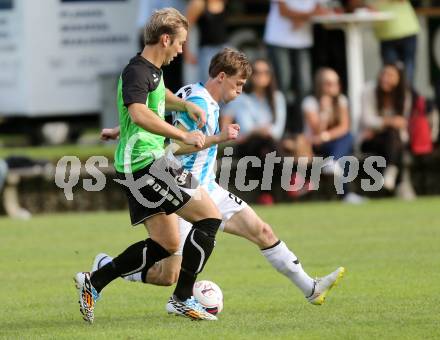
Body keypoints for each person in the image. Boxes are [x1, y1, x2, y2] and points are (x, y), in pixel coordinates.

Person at [99, 48, 346, 307]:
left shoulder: (195, 93)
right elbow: (173, 145)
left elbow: (159, 114)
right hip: (185, 189)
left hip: (208, 188)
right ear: (220, 76)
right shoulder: (202, 102)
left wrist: (121, 129)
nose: (239, 90)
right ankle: (107, 269)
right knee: (167, 274)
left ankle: (311, 288)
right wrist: (219, 138)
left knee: (262, 230)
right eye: (237, 83)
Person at [74, 8, 225, 323]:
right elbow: (140, 112)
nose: (182, 50)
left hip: (140, 163)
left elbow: (154, 99)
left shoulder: (150, 72)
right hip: (149, 163)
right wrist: (183, 133)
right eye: (180, 43)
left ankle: (95, 281)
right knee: (210, 218)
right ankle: (183, 299)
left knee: (167, 243)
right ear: (165, 38)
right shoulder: (138, 71)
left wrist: (182, 104)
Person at [221, 58, 287, 203]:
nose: (261, 76)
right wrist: (254, 132)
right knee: (264, 143)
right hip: (246, 144)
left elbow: (277, 130)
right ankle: (290, 178)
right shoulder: (241, 98)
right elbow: (230, 127)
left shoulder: (277, 98)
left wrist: (260, 131)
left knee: (267, 149)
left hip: (268, 144)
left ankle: (266, 195)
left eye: (265, 72)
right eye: (256, 72)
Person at [264, 0, 328, 133]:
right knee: (282, 86)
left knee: (304, 87)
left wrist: (298, 17)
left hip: (302, 41)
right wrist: (306, 16)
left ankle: (301, 129)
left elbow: (321, 9)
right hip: (278, 40)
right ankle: (282, 127)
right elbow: (283, 11)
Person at [302, 67, 365, 203]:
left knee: (347, 139)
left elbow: (344, 127)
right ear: (320, 85)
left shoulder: (341, 100)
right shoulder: (310, 103)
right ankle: (346, 194)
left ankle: (334, 163)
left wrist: (327, 136)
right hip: (315, 145)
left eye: (336, 83)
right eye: (329, 83)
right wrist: (324, 112)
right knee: (345, 146)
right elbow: (316, 132)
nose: (333, 87)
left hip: (333, 143)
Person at [360, 62, 412, 194]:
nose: (385, 78)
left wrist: (384, 124)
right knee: (394, 138)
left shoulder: (404, 95)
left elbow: (402, 123)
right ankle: (400, 182)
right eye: (383, 74)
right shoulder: (369, 90)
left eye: (390, 75)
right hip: (370, 140)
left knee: (393, 137)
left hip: (394, 139)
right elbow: (367, 120)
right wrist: (390, 121)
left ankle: (391, 175)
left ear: (399, 79)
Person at [370, 0, 420, 86]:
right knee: (390, 73)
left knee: (407, 73)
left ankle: (407, 97)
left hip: (406, 29)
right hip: (386, 32)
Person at [184, 0, 227, 82]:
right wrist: (187, 52)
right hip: (207, 51)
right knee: (208, 81)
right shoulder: (199, 4)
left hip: (223, 48)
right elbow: (185, 27)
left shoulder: (221, 2)